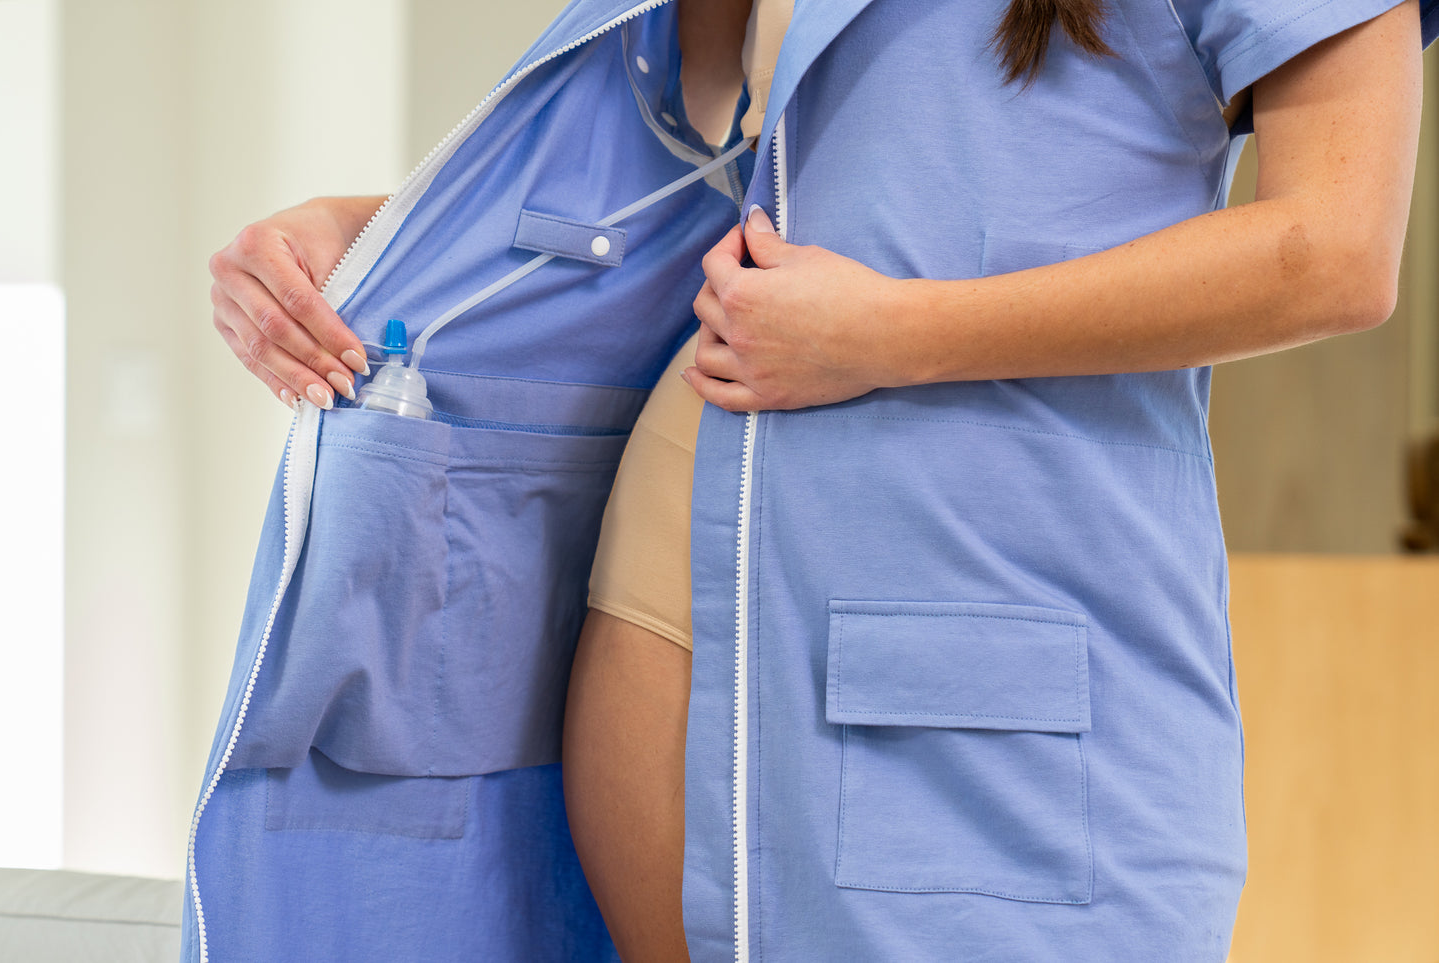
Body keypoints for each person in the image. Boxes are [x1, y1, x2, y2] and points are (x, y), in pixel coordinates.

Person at [208, 0, 1434, 958]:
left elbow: (1332, 253)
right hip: (680, 560)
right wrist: (372, 236)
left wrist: (895, 335)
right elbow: (693, 196)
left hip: (995, 600)